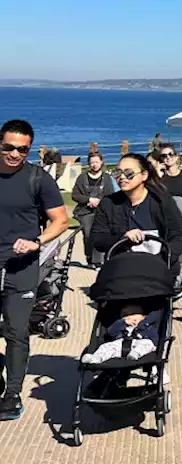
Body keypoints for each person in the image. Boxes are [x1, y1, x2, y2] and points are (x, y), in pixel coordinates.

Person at [0, 119, 71, 421]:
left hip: (22, 267)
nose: (15, 154)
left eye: (22, 149)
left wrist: (35, 242)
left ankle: (12, 394)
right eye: (8, 147)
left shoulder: (38, 179)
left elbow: (60, 220)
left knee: (16, 331)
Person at [89, 153, 182, 281]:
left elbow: (179, 236)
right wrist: (122, 238)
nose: (122, 177)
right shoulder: (108, 203)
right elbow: (98, 239)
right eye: (117, 173)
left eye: (129, 173)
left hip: (159, 268)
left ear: (144, 175)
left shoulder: (162, 201)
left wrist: (162, 258)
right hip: (122, 269)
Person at [71, 151, 114, 267]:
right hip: (85, 211)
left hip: (102, 211)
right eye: (92, 162)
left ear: (101, 162)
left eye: (97, 162)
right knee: (88, 234)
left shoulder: (107, 178)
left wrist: (99, 202)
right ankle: (89, 256)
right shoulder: (82, 178)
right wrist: (89, 200)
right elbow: (75, 195)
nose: (94, 164)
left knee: (101, 233)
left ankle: (99, 260)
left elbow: (110, 195)